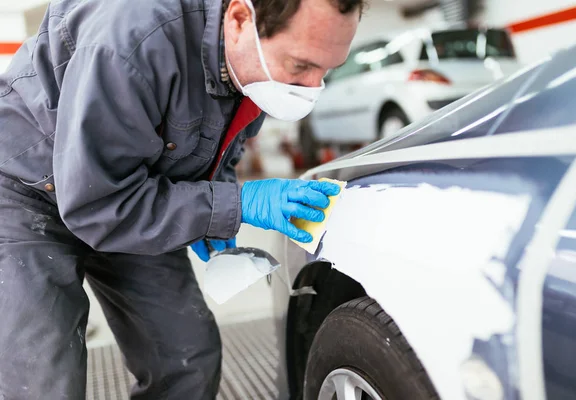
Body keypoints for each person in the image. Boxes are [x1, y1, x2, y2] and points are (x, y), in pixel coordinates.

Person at [0, 0, 363, 398]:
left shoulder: (249, 64)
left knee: (187, 359)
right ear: (240, 19)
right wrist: (233, 205)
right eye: (300, 66)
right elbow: (97, 204)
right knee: (39, 383)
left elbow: (216, 145)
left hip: (134, 192)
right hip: (26, 195)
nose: (312, 87)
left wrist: (213, 201)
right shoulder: (130, 41)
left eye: (327, 70)